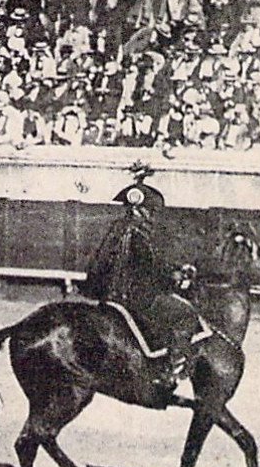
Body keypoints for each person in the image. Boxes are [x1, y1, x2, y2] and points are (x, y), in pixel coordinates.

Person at [80, 170, 200, 402]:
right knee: (185, 314)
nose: (151, 216)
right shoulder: (139, 234)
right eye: (150, 211)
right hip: (135, 297)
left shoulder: (120, 228)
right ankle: (170, 372)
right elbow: (149, 270)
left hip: (114, 294)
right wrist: (175, 277)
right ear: (140, 209)